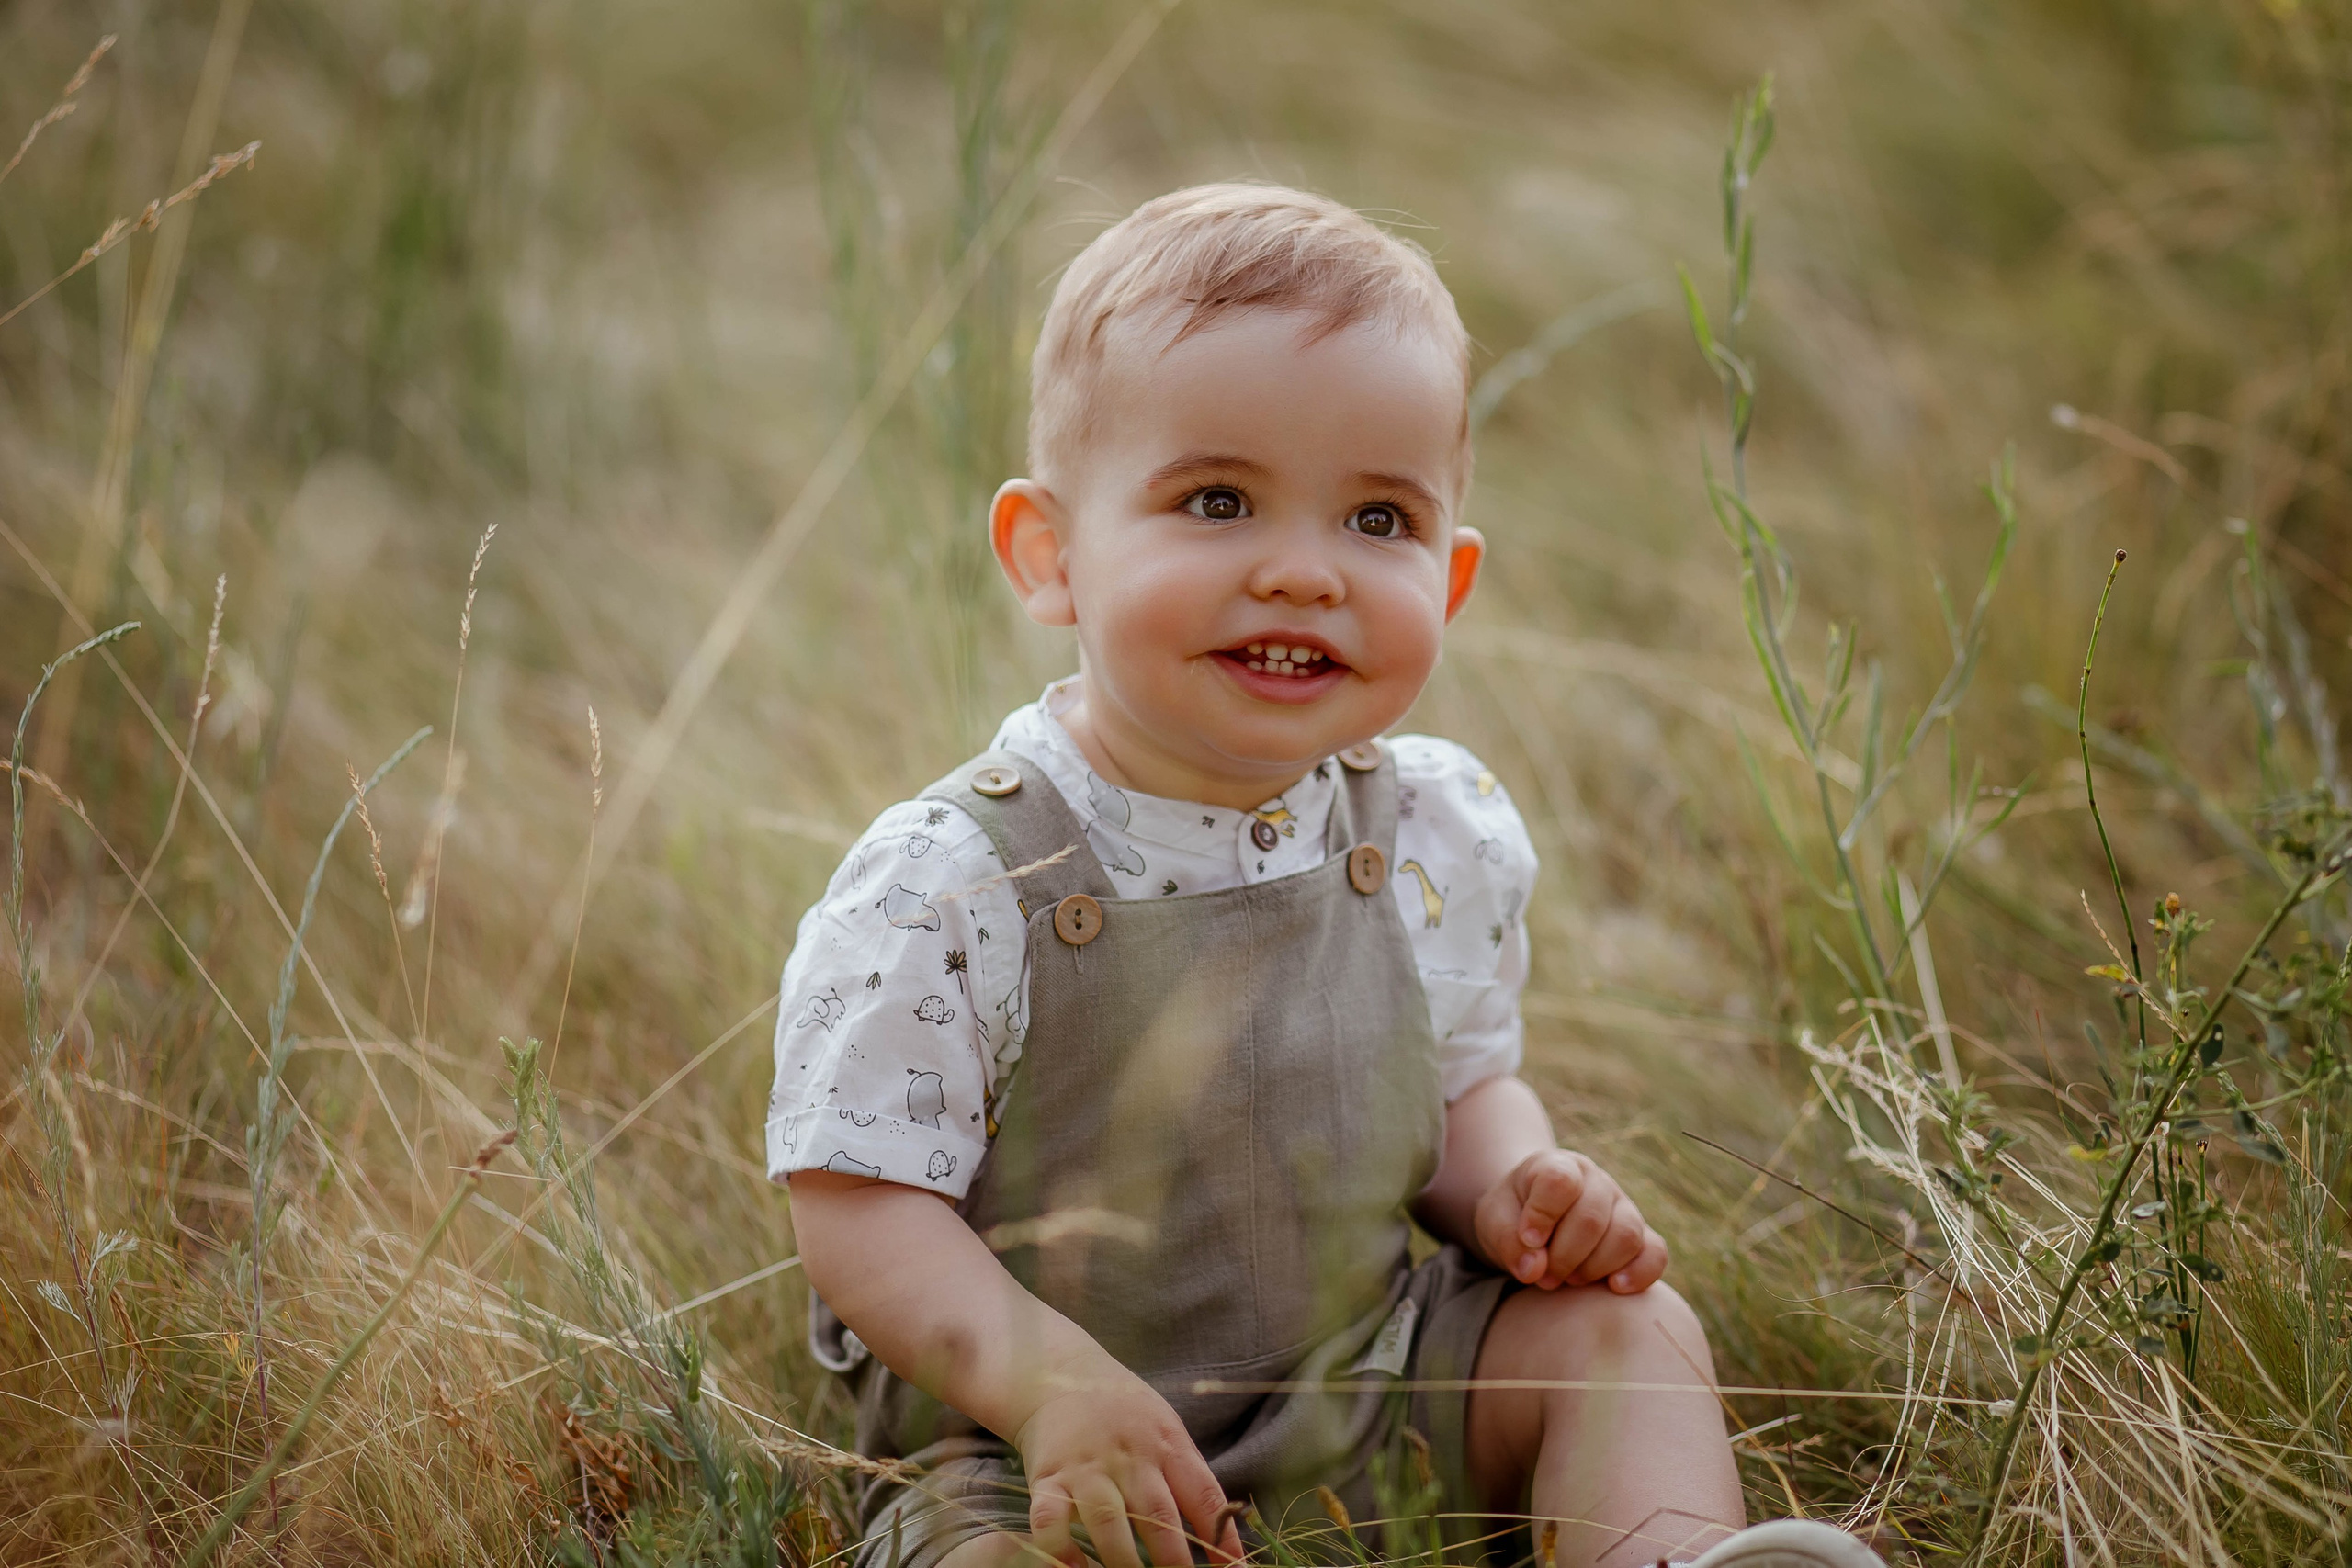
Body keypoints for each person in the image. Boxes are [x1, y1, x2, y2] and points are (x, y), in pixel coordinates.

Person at [770, 184, 1883, 1568]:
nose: (1303, 573)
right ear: (1050, 555)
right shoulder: (957, 879)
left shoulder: (1430, 830)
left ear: (1453, 577)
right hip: (1037, 1462)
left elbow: (1464, 1088)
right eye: (1219, 500)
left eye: (1377, 521)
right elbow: (858, 1208)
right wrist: (1053, 1394)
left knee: (1625, 1328)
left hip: (1367, 1399)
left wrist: (1516, 1190)